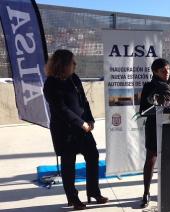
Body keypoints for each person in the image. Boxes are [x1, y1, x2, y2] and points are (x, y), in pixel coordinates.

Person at [43, 49, 108, 210]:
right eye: (72, 62)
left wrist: (90, 119)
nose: (75, 64)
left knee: (93, 156)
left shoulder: (74, 78)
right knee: (68, 164)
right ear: (63, 64)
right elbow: (61, 109)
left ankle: (93, 192)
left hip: (82, 128)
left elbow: (83, 102)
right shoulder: (51, 84)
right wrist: (81, 123)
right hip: (65, 131)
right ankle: (73, 198)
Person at [139, 58, 170, 208]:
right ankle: (146, 192)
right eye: (163, 71)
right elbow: (143, 110)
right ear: (155, 72)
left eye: (168, 69)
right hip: (154, 126)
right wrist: (156, 100)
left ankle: (168, 191)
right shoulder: (149, 86)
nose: (167, 73)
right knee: (151, 159)